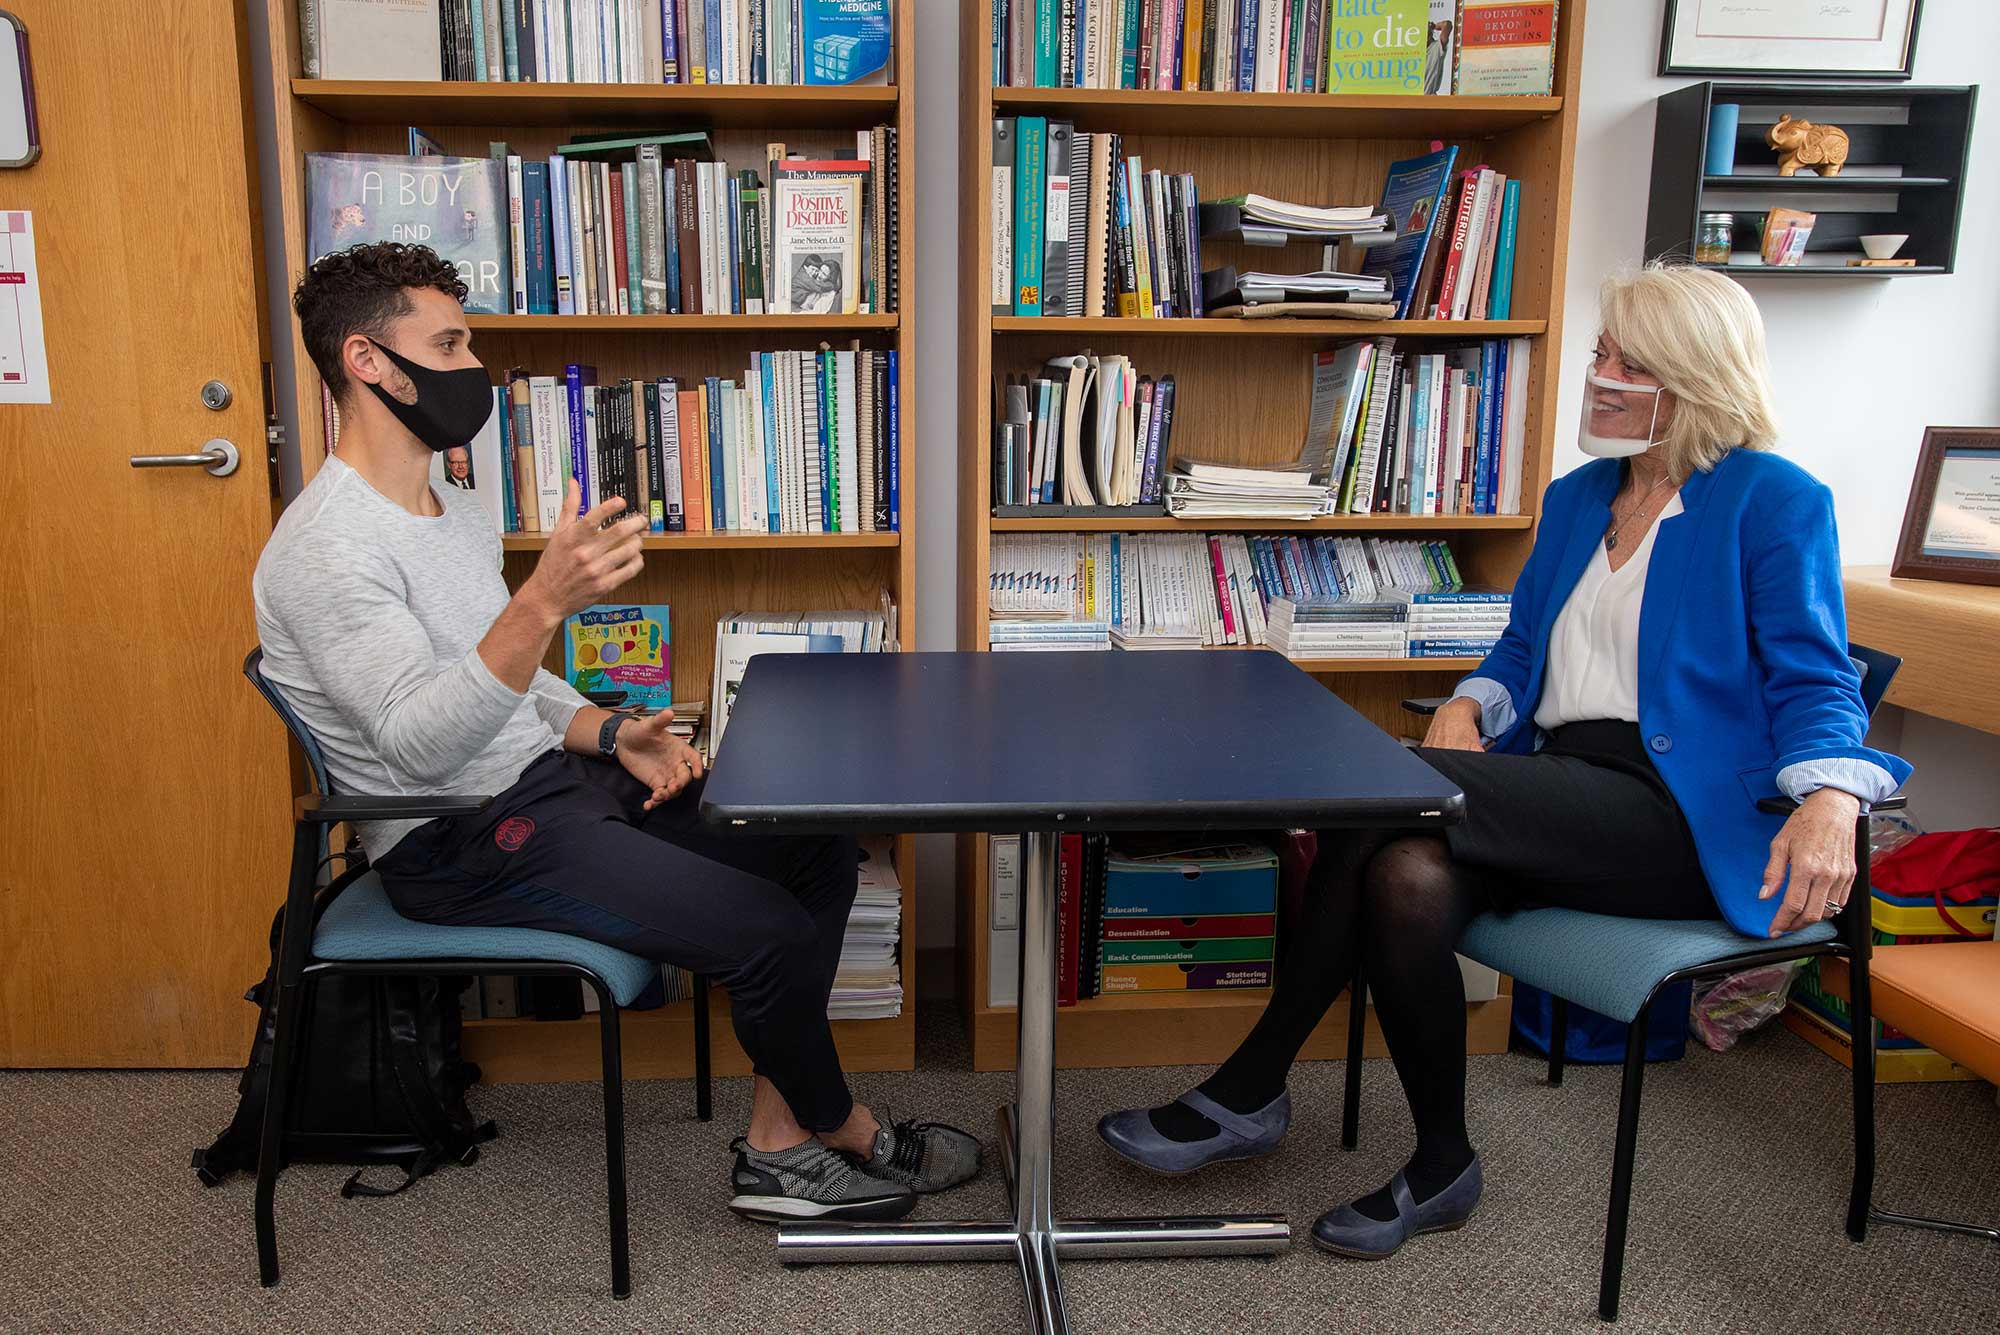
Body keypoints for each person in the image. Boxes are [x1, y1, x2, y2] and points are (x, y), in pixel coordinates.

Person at [1097, 264, 1910, 1259]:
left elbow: (1814, 676)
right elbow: (1518, 649)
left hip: (1675, 815)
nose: (1595, 374)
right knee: (1402, 873)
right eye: (1600, 354)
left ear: (1684, 375)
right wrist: (1471, 708)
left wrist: (1831, 793)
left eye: (1618, 359)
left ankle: (1249, 1088)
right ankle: (1440, 1163)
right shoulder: (1579, 499)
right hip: (1557, 785)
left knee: (1369, 797)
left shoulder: (1769, 501)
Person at [255, 242, 979, 1223]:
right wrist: (542, 601)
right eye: (450, 343)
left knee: (808, 845)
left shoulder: (449, 502)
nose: (473, 368)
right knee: (761, 933)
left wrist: (606, 732)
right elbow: (416, 746)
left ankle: (777, 1140)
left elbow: (510, 679)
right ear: (367, 362)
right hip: (457, 834)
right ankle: (833, 1126)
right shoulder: (325, 550)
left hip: (551, 785)